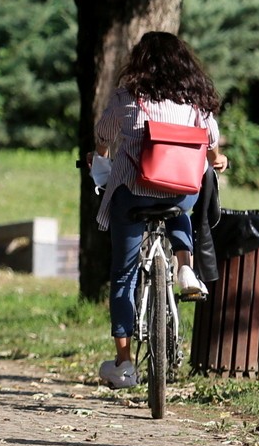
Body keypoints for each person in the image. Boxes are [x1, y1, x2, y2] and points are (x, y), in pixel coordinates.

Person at [91, 31, 228, 390]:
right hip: (179, 193)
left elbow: (103, 133)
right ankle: (186, 268)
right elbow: (211, 141)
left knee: (123, 274)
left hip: (134, 193)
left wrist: (100, 155)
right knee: (182, 203)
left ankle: (124, 364)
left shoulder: (127, 98)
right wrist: (217, 159)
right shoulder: (195, 103)